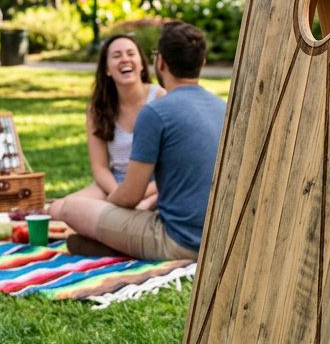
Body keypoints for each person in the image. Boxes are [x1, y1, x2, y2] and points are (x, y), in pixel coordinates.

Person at [54, 21, 226, 260]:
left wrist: (108, 209)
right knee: (85, 222)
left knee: (71, 208)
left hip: (178, 240)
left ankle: (113, 243)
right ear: (202, 62)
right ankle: (110, 245)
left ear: (161, 62)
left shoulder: (156, 111)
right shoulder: (223, 106)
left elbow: (129, 197)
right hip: (218, 237)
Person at [58, 32, 164, 209]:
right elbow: (99, 168)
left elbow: (171, 167)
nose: (125, 59)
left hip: (156, 184)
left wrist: (132, 197)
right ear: (107, 69)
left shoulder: (160, 98)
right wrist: (119, 195)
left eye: (131, 54)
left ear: (141, 65)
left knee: (139, 210)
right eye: (116, 56)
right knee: (60, 208)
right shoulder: (97, 107)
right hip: (115, 183)